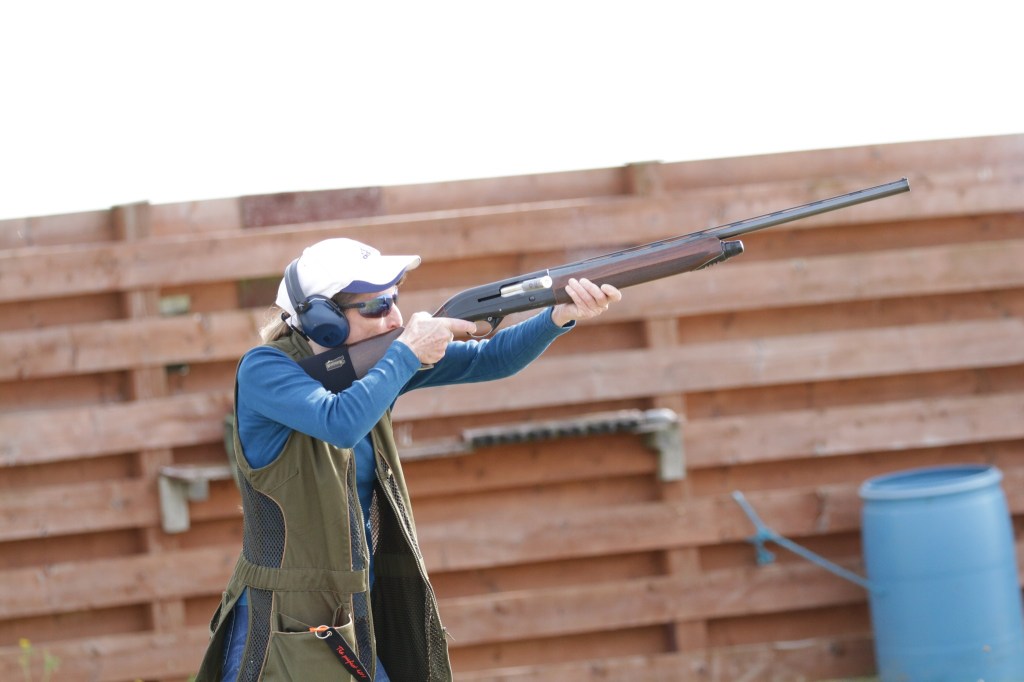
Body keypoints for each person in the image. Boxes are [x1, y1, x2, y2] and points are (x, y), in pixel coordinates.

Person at [195, 237, 621, 682]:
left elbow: (491, 358)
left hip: (355, 614)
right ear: (323, 320)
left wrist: (557, 317)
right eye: (376, 306)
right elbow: (340, 421)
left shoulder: (375, 368)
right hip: (283, 624)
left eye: (394, 299)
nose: (396, 318)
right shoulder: (264, 369)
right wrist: (405, 354)